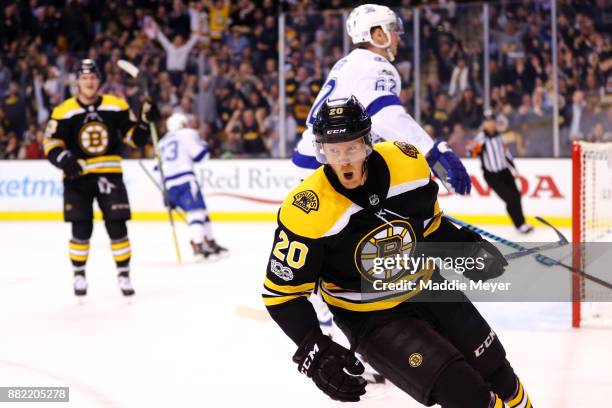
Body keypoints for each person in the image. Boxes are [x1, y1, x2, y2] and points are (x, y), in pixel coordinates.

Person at [263, 97, 533, 407]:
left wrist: (464, 250)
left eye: (351, 148)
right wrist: (315, 349)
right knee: (465, 394)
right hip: (371, 315)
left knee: (498, 373)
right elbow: (281, 296)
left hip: (428, 286)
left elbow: (429, 230)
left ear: (368, 143)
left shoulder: (408, 164)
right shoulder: (306, 210)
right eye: (333, 151)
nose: (344, 161)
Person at [292, 4, 471, 197]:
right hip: (332, 162)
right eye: (393, 30)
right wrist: (431, 151)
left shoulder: (350, 62)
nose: (398, 36)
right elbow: (384, 115)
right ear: (378, 35)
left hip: (318, 157)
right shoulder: (375, 66)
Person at [43, 59, 153, 296]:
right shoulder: (64, 111)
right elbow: (51, 143)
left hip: (110, 175)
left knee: (117, 226)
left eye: (93, 77)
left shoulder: (116, 106)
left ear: (99, 80)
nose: (89, 82)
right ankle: (79, 274)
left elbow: (134, 138)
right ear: (77, 82)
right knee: (81, 229)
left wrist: (145, 123)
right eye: (84, 78)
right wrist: (65, 160)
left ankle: (124, 275)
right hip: (77, 178)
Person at [158, 112, 227, 257]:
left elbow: (157, 168)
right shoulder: (187, 134)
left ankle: (209, 241)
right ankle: (198, 244)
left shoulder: (162, 142)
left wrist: (164, 194)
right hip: (185, 181)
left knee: (202, 210)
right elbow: (200, 156)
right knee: (196, 212)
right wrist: (204, 143)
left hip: (168, 185)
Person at [469, 110, 533, 234]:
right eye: (488, 121)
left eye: (492, 120)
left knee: (516, 196)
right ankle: (519, 224)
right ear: (484, 123)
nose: (491, 123)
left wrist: (513, 167)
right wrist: (472, 148)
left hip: (505, 171)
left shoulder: (499, 135)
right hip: (493, 176)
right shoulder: (481, 138)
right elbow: (472, 153)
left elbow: (505, 153)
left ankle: (521, 223)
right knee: (511, 198)